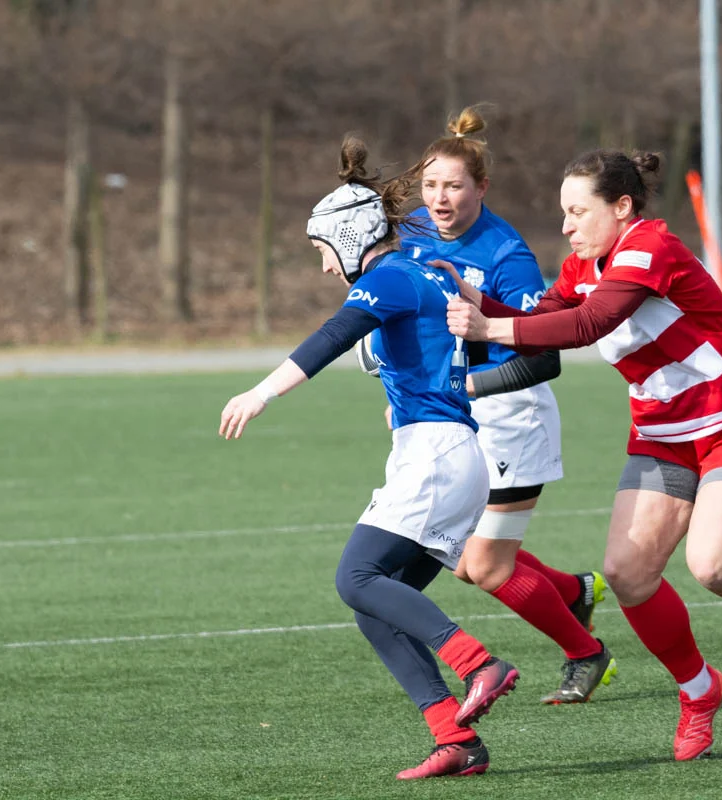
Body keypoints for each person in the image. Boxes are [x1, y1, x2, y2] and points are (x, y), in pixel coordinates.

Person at [440, 149, 722, 761]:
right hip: (660, 432)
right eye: (564, 213)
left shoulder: (649, 247)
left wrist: (488, 330)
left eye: (578, 212)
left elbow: (589, 324)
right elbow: (550, 315)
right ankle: (699, 690)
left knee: (712, 565)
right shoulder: (584, 263)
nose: (568, 226)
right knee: (628, 575)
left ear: (622, 206)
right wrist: (482, 302)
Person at [219, 136, 519, 780]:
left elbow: (334, 336)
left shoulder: (389, 275)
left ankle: (478, 663)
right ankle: (455, 739)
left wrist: (261, 392)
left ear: (350, 237)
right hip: (445, 452)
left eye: (325, 251)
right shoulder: (423, 266)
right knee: (377, 606)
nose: (327, 268)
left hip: (436, 455)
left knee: (355, 579)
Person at [396, 105, 615, 705]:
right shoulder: (411, 231)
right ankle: (572, 592)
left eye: (455, 186)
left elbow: (545, 358)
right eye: (431, 185)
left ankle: (586, 652)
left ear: (481, 187)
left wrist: (466, 386)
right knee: (466, 562)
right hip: (452, 422)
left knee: (487, 566)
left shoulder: (506, 254)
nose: (440, 199)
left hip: (510, 421)